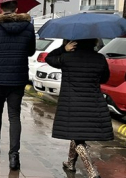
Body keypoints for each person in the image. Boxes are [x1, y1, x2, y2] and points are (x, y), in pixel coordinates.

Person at [45, 39, 112, 178]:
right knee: (77, 133)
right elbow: (104, 79)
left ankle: (92, 171)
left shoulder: (67, 58)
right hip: (93, 102)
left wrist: (63, 48)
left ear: (76, 43)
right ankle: (70, 163)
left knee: (79, 139)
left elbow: (49, 58)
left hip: (72, 103)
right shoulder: (100, 58)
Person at [0, 0, 36, 171]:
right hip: (18, 77)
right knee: (14, 115)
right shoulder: (27, 27)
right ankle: (14, 155)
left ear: (1, 9)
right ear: (17, 9)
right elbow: (31, 51)